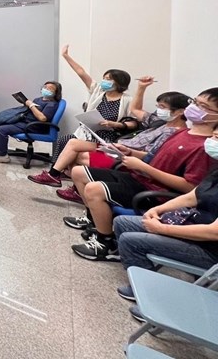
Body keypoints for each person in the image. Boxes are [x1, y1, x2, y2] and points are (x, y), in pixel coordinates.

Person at [65, 88, 218, 262]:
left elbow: (190, 187)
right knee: (78, 172)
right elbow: (153, 157)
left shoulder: (205, 148)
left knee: (94, 189)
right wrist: (129, 152)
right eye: (195, 102)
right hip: (140, 178)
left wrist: (145, 168)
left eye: (203, 106)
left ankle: (105, 243)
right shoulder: (182, 132)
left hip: (157, 191)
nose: (195, 107)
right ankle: (95, 220)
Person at [113, 124, 218, 303]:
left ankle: (150, 297)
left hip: (210, 250)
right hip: (191, 224)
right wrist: (158, 209)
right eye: (213, 136)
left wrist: (161, 229)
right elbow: (191, 197)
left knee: (131, 241)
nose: (211, 141)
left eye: (217, 138)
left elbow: (213, 232)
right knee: (122, 222)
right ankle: (141, 275)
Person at [29, 84, 189, 200]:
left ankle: (74, 188)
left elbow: (151, 156)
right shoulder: (160, 122)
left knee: (79, 155)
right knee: (72, 143)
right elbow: (136, 110)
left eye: (162, 107)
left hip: (125, 156)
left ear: (180, 111)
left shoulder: (174, 134)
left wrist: (124, 143)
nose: (158, 110)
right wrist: (141, 87)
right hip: (119, 146)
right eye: (158, 106)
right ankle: (55, 175)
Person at [47, 44, 134, 167]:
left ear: (120, 82)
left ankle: (60, 171)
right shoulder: (98, 91)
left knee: (72, 143)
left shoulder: (128, 100)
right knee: (64, 139)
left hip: (107, 136)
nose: (104, 81)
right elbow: (81, 72)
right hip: (88, 132)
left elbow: (134, 122)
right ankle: (59, 169)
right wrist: (66, 56)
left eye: (108, 79)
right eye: (104, 78)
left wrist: (114, 124)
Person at [0, 81, 63, 164]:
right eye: (45, 87)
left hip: (33, 126)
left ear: (56, 93)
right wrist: (26, 103)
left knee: (1, 130)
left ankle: (2, 156)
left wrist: (31, 105)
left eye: (50, 89)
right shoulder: (38, 99)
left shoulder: (52, 104)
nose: (46, 89)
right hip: (25, 121)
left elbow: (42, 118)